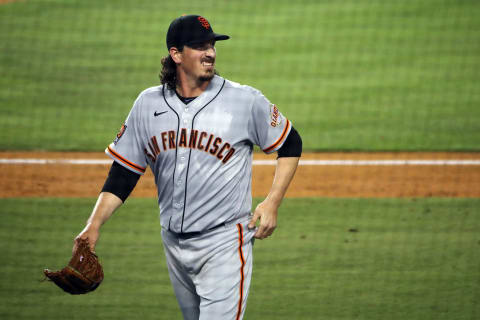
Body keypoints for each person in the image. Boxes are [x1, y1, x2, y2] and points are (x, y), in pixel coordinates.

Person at [74, 14, 302, 320]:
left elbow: (290, 142)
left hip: (224, 245)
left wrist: (272, 201)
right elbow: (124, 172)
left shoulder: (243, 100)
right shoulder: (147, 104)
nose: (210, 52)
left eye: (211, 45)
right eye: (199, 46)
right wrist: (94, 224)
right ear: (176, 54)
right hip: (173, 244)